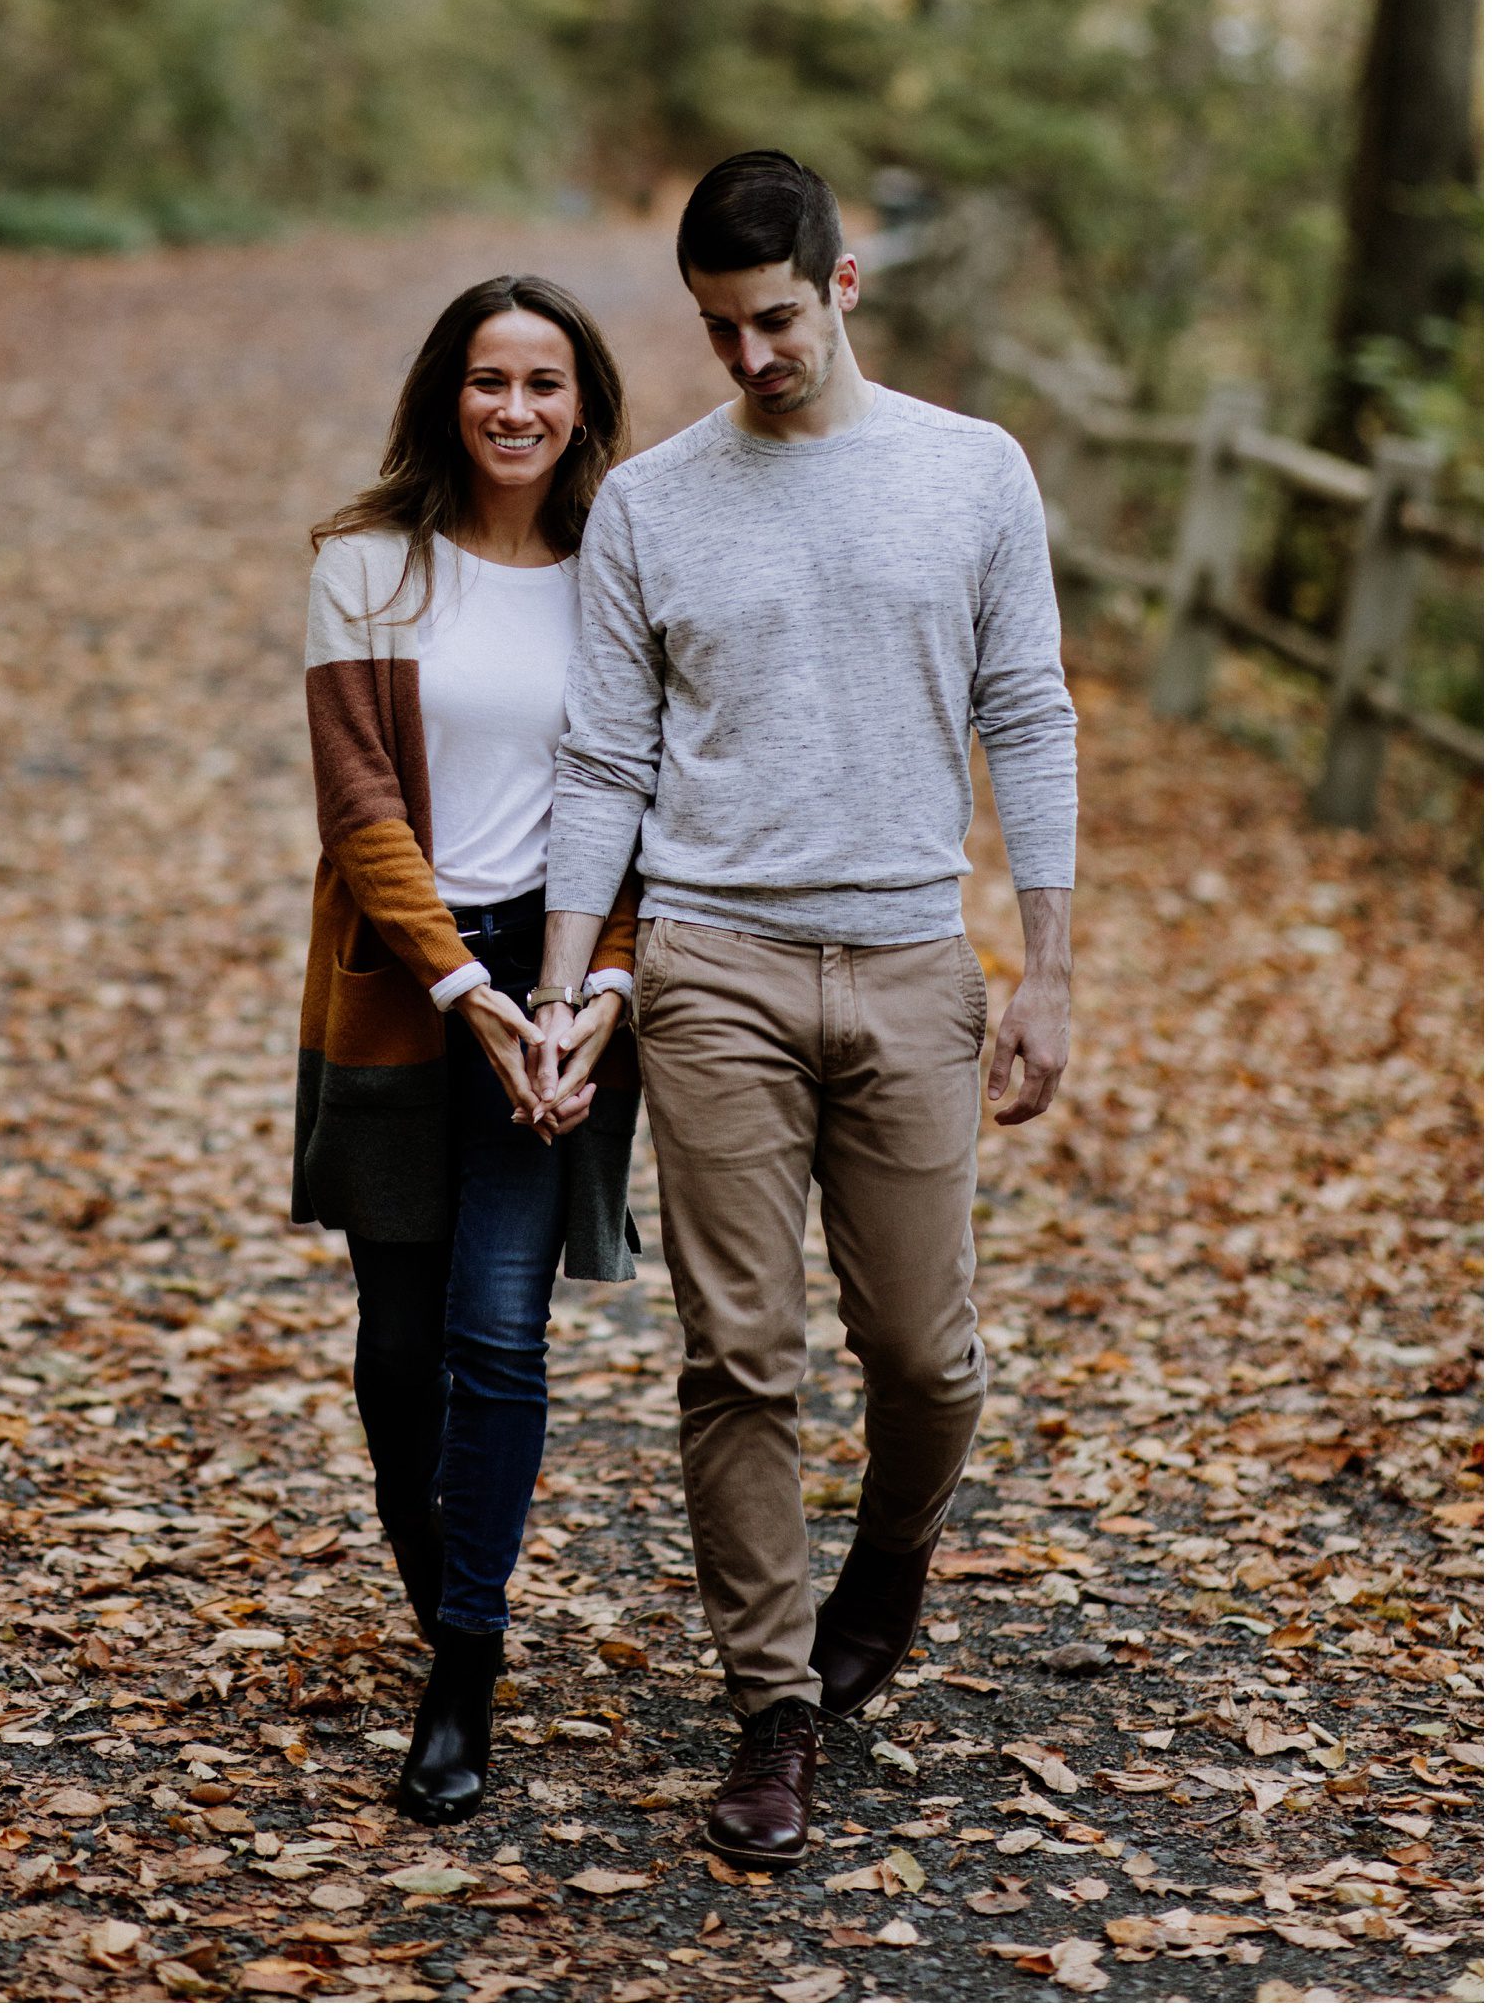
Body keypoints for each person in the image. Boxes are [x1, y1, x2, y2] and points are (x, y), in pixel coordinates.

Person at [529, 149, 1078, 1865]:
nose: (749, 356)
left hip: (913, 957)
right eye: (717, 329)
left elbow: (1031, 716)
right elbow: (605, 754)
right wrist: (565, 984)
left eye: (774, 318)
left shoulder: (971, 472)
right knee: (738, 1354)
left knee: (926, 1354)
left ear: (843, 286)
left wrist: (1049, 967)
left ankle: (893, 1551)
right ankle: (771, 1706)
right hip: (715, 971)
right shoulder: (651, 504)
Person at [292, 272, 642, 1826]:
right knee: (397, 1345)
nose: (516, 409)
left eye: (545, 384)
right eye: (490, 380)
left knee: (499, 1329)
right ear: (450, 393)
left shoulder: (622, 581)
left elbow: (648, 817)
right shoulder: (366, 571)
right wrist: (460, 986)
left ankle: (465, 1664)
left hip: (558, 981)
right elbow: (362, 806)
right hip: (404, 981)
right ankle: (444, 1591)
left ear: (583, 406)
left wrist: (592, 990)